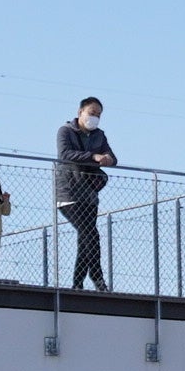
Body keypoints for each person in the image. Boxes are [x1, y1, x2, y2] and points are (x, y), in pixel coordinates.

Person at [55, 98, 115, 291]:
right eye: (92, 112)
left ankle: (77, 283)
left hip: (89, 195)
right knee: (90, 234)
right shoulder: (65, 131)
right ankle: (97, 278)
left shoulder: (99, 135)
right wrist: (93, 157)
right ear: (80, 111)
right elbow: (65, 154)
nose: (95, 117)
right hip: (69, 194)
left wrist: (107, 159)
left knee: (85, 237)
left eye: (98, 114)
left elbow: (113, 158)